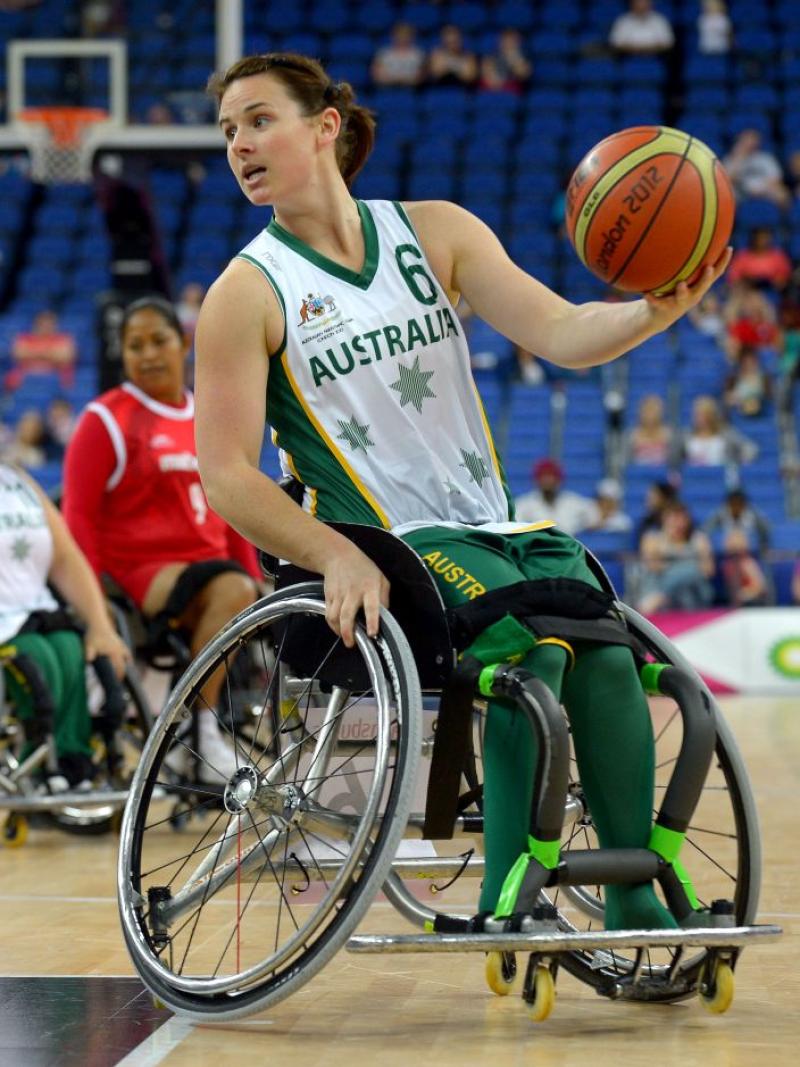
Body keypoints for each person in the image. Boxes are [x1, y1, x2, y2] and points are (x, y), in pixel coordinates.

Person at [195, 53, 730, 932]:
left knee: (604, 651)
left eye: (258, 120)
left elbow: (561, 329)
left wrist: (652, 311)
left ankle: (632, 890)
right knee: (531, 655)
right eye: (228, 131)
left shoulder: (435, 230)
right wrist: (333, 555)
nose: (239, 145)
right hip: (386, 548)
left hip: (490, 529)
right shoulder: (245, 293)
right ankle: (509, 895)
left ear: (325, 127)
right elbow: (225, 474)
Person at [62, 297, 262, 780]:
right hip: (140, 573)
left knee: (248, 589)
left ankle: (201, 729)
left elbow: (232, 507)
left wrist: (256, 583)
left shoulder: (208, 416)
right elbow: (79, 518)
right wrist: (92, 606)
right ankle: (197, 730)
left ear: (183, 342)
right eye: (135, 346)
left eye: (158, 341)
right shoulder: (106, 419)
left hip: (214, 571)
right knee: (233, 588)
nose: (148, 354)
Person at [0, 462, 129, 791]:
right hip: (6, 621)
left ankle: (73, 765)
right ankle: (37, 762)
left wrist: (101, 626)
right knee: (36, 657)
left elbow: (66, 557)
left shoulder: (18, 480)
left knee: (71, 648)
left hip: (34, 610)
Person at [637, 502, 715, 613]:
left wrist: (679, 567)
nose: (679, 523)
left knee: (692, 572)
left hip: (694, 592)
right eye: (674, 519)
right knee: (689, 571)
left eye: (683, 519)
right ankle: (664, 596)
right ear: (664, 520)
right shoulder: (652, 538)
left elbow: (708, 571)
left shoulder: (699, 539)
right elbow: (654, 567)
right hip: (661, 585)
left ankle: (662, 596)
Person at [515, 458, 597, 535]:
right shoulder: (525, 504)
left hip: (568, 542)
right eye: (543, 476)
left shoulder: (573, 501)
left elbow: (594, 517)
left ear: (558, 479)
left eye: (551, 476)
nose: (547, 480)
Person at [6, 309, 76, 391]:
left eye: (50, 323)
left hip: (56, 372)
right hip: (27, 372)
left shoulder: (64, 338)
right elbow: (18, 354)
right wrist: (51, 353)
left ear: (55, 325)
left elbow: (66, 357)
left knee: (69, 376)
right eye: (42, 323)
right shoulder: (24, 337)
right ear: (36, 324)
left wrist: (33, 353)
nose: (46, 326)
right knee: (12, 375)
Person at [680, 395, 758, 466]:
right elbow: (676, 458)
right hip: (694, 475)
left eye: (703, 415)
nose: (699, 418)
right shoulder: (686, 435)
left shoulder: (726, 433)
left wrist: (736, 463)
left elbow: (750, 449)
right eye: (696, 415)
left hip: (720, 475)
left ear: (711, 416)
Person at [723, 129, 791, 209]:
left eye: (752, 139)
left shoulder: (765, 158)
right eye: (746, 139)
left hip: (764, 190)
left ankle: (785, 216)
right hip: (741, 191)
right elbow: (727, 180)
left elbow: (776, 180)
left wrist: (760, 190)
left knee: (782, 193)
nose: (749, 142)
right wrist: (738, 157)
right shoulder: (731, 159)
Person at [703, 488, 771, 554]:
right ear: (728, 503)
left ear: (744, 504)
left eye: (739, 503)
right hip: (726, 552)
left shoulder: (753, 514)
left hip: (748, 553)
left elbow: (766, 529)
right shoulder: (720, 514)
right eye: (733, 503)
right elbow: (706, 530)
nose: (736, 506)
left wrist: (761, 546)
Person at [727, 227, 792, 292]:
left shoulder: (778, 256)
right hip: (747, 290)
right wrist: (746, 280)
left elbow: (785, 276)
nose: (761, 241)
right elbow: (733, 277)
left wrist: (774, 280)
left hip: (771, 291)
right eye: (759, 238)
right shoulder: (742, 256)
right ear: (753, 239)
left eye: (765, 238)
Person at [623, 393, 675, 466]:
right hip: (640, 472)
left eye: (653, 410)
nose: (650, 415)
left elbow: (674, 462)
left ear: (660, 413)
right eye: (647, 410)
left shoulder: (668, 435)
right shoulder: (632, 436)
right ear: (641, 413)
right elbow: (627, 462)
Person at [370, 22, 426, 88]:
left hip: (411, 89)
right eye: (400, 35)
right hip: (386, 89)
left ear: (412, 36)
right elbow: (377, 76)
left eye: (406, 35)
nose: (403, 38)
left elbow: (420, 77)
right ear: (393, 36)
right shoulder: (384, 53)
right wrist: (402, 79)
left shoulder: (419, 54)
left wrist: (396, 79)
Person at [609, 0, 675, 55]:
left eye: (644, 2)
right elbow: (615, 43)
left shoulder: (660, 20)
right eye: (638, 2)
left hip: (656, 58)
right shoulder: (622, 21)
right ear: (632, 4)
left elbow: (668, 43)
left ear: (650, 4)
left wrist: (647, 50)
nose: (641, 6)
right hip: (628, 58)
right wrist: (635, 49)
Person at [723, 345, 772, 417]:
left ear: (756, 361)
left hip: (759, 409)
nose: (749, 364)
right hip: (738, 410)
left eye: (751, 361)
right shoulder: (733, 378)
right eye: (745, 362)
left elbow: (768, 397)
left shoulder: (764, 378)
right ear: (741, 363)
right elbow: (727, 397)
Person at [479, 28, 532, 94]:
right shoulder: (489, 58)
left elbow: (523, 75)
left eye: (512, 41)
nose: (509, 44)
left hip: (512, 94)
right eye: (506, 41)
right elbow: (492, 82)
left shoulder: (522, 59)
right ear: (500, 42)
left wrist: (514, 58)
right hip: (490, 94)